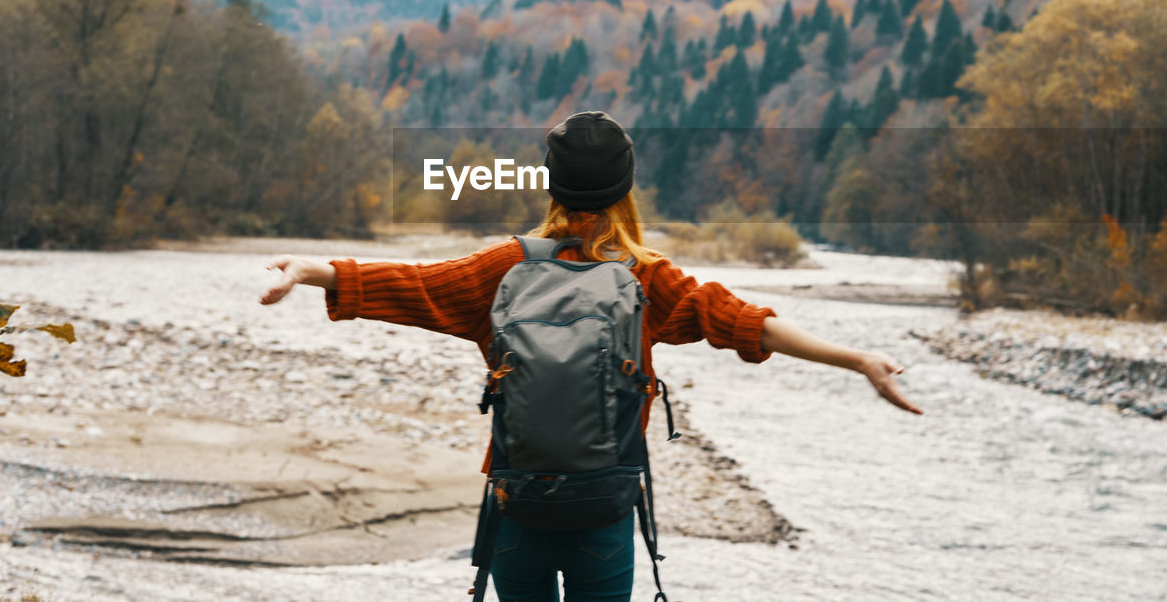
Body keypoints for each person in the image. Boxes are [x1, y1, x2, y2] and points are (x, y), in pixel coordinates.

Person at [260, 110, 922, 602]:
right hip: (604, 507)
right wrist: (857, 358)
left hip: (517, 500)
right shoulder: (648, 278)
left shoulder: (503, 269)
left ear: (552, 187)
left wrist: (312, 270)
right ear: (625, 190)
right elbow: (748, 325)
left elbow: (412, 285)